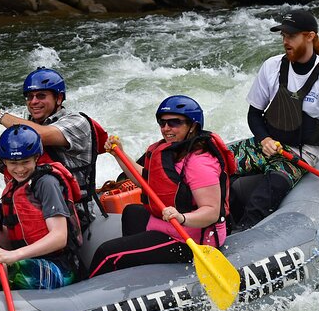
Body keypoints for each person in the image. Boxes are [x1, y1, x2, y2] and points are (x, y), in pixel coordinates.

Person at [229, 9, 319, 230]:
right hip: (267, 144)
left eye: (291, 36)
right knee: (215, 164)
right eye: (283, 36)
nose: (285, 41)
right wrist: (264, 139)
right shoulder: (272, 66)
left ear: (310, 36)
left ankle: (240, 238)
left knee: (263, 197)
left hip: (299, 153)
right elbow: (254, 114)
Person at [88, 95, 235, 278]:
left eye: (174, 123)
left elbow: (211, 212)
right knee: (132, 212)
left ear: (193, 126)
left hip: (192, 239)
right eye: (162, 123)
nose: (166, 128)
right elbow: (145, 180)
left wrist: (181, 217)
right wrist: (119, 154)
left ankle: (85, 294)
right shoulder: (173, 150)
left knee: (108, 253)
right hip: (171, 224)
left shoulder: (199, 162)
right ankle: (135, 272)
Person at [0, 124, 83, 291]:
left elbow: (59, 237)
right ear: (4, 162)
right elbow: (8, 242)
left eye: (25, 162)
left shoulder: (46, 183)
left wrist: (13, 256)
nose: (19, 169)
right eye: (13, 163)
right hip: (29, 261)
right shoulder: (12, 188)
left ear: (36, 158)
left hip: (59, 268)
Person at [0, 67, 107, 230]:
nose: (34, 101)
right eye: (30, 97)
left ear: (58, 98)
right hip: (28, 213)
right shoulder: (18, 136)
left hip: (73, 216)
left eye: (41, 96)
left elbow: (41, 134)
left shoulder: (78, 122)